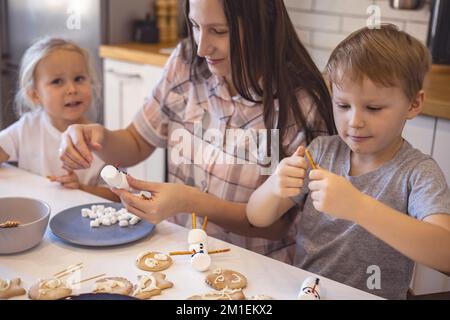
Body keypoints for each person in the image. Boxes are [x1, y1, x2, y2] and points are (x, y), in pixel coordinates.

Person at [58, 0, 335, 263]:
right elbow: (136, 141)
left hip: (256, 268)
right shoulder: (186, 62)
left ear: (262, 26)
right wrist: (99, 138)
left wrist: (187, 201)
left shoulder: (301, 105)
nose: (202, 47)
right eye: (195, 25)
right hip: (180, 253)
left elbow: (276, 226)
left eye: (219, 31)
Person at [246, 24, 450, 299]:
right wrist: (275, 186)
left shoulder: (418, 173)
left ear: (414, 104)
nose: (354, 121)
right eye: (343, 105)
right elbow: (257, 217)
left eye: (373, 108)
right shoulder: (320, 153)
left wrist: (358, 207)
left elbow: (445, 253)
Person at [0, 37, 118, 201]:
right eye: (57, 81)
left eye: (79, 79)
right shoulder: (26, 127)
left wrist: (81, 188)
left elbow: (118, 196)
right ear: (34, 94)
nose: (72, 89)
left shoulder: (101, 140)